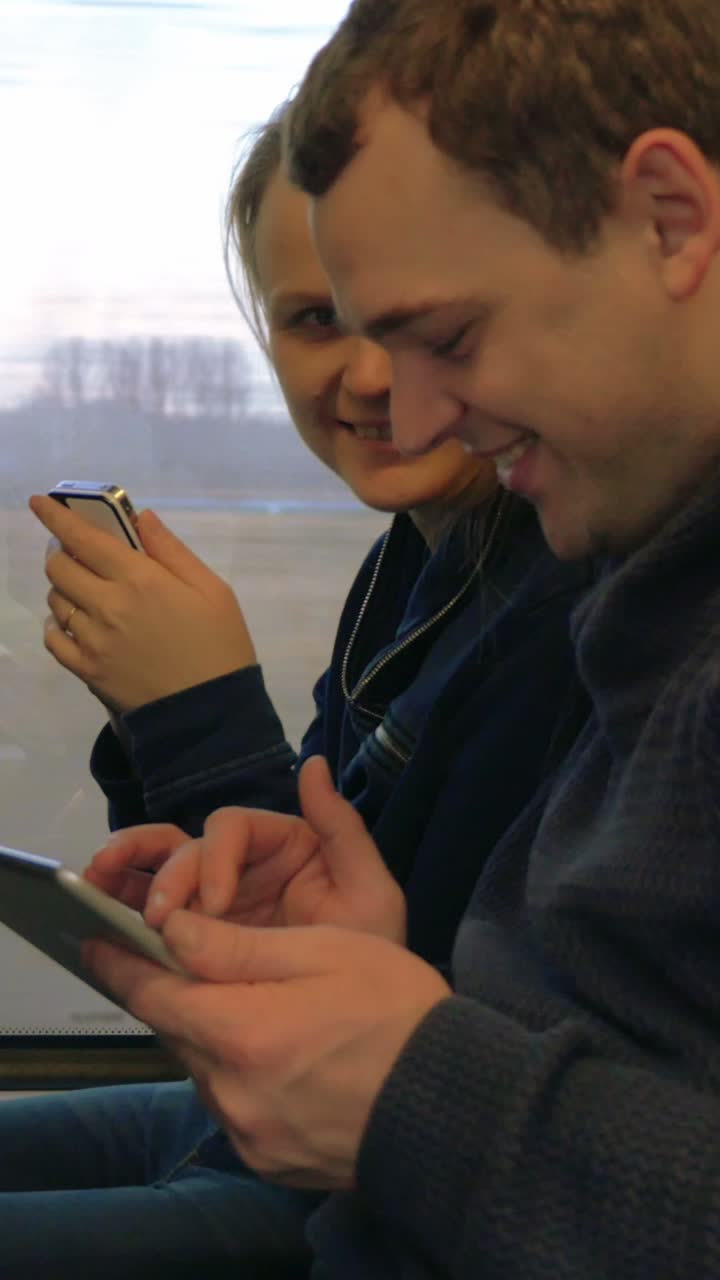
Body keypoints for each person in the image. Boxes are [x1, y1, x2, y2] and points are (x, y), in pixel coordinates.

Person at [80, 1, 720, 1277]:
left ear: (670, 218)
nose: (407, 405)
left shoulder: (584, 590)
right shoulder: (643, 593)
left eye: (448, 337)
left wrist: (421, 1089)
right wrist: (384, 981)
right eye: (320, 322)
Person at [11, 96, 591, 1279]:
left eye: (422, 320)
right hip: (260, 1121)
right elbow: (285, 893)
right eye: (318, 319)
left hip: (378, 1188)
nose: (377, 376)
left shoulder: (568, 605)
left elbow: (413, 1019)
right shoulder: (414, 561)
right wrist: (161, 722)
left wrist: (201, 715)